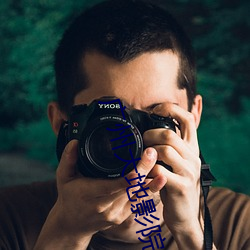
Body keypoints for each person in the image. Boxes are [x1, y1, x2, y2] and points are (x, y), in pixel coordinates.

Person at [0, 0, 249, 249]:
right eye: (111, 120)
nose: (133, 141)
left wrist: (192, 233)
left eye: (156, 116)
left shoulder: (242, 224)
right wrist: (65, 234)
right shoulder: (8, 219)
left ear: (193, 117)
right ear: (62, 124)